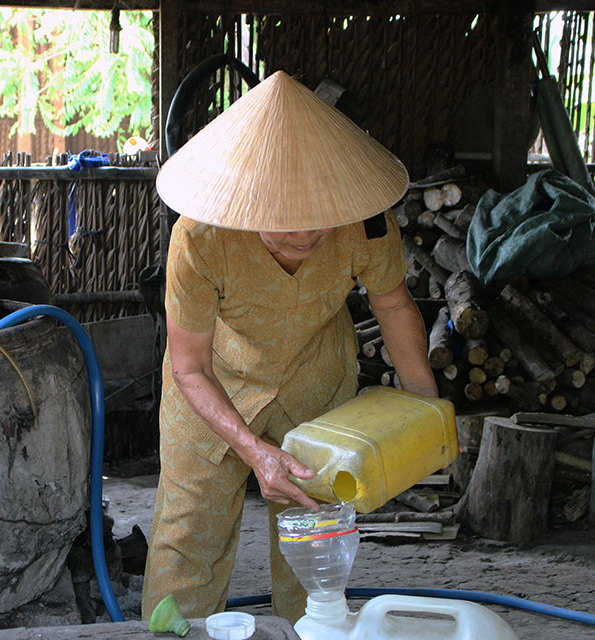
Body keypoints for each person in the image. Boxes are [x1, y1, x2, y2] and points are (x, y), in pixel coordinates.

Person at [141, 70, 439, 624]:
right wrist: (254, 452)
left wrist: (427, 408)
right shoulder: (200, 236)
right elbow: (190, 366)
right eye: (282, 227)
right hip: (210, 388)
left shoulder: (365, 223)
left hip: (314, 383)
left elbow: (394, 306)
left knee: (315, 546)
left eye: (318, 225)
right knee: (186, 545)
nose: (304, 239)